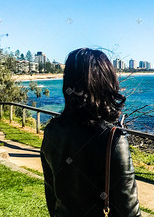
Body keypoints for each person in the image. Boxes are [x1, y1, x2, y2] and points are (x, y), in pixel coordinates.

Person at [40, 48, 141, 217]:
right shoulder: (113, 139)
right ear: (106, 82)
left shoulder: (52, 131)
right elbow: (129, 212)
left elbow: (52, 195)